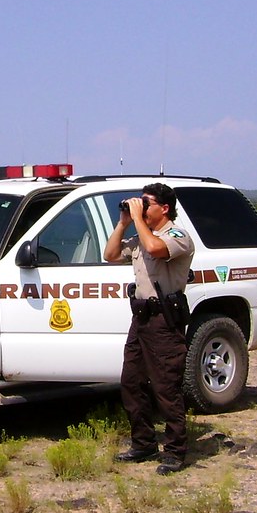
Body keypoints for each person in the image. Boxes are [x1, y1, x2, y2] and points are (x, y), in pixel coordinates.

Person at [103, 182, 195, 474]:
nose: (141, 206)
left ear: (164, 208)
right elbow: (110, 254)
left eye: (147, 202)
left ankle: (175, 451)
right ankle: (143, 443)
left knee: (166, 386)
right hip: (141, 318)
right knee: (131, 382)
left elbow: (156, 249)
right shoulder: (140, 236)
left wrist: (139, 221)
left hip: (164, 319)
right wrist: (123, 223)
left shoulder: (177, 236)